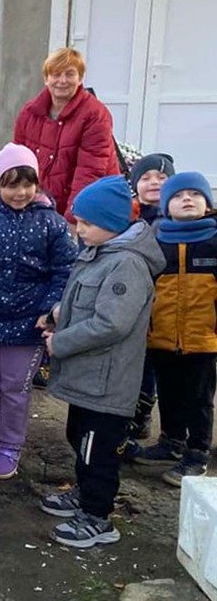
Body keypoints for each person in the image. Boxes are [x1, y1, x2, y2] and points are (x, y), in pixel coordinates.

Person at [37, 176, 163, 548]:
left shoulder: (126, 264)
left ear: (112, 224)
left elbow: (111, 323)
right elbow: (85, 299)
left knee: (99, 449)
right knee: (80, 437)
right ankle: (85, 491)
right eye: (77, 221)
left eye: (87, 223)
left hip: (108, 381)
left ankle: (97, 516)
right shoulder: (100, 252)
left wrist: (61, 343)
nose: (79, 229)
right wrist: (58, 313)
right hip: (90, 380)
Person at [0, 143, 77, 479]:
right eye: (11, 184)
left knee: (15, 388)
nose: (20, 192)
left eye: (27, 183)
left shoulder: (52, 223)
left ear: (37, 183)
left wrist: (50, 308)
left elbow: (64, 269)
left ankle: (10, 446)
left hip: (27, 324)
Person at [132, 172, 217, 485]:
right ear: (167, 205)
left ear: (207, 203)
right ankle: (171, 441)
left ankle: (197, 454)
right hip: (162, 336)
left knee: (199, 399)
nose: (188, 199)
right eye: (180, 196)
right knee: (169, 393)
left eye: (196, 194)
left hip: (203, 339)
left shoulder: (214, 239)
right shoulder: (154, 240)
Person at [13, 48, 120, 225]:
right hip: (40, 208)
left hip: (86, 212)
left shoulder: (96, 115)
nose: (62, 81)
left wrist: (72, 220)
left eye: (70, 74)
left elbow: (89, 171)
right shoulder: (29, 113)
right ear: (46, 78)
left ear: (80, 79)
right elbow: (18, 163)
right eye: (56, 74)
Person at [125, 152, 175, 446]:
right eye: (146, 178)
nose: (154, 183)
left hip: (167, 302)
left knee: (158, 364)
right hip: (137, 298)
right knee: (139, 361)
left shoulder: (177, 217)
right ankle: (137, 416)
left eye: (162, 177)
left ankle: (148, 416)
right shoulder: (130, 216)